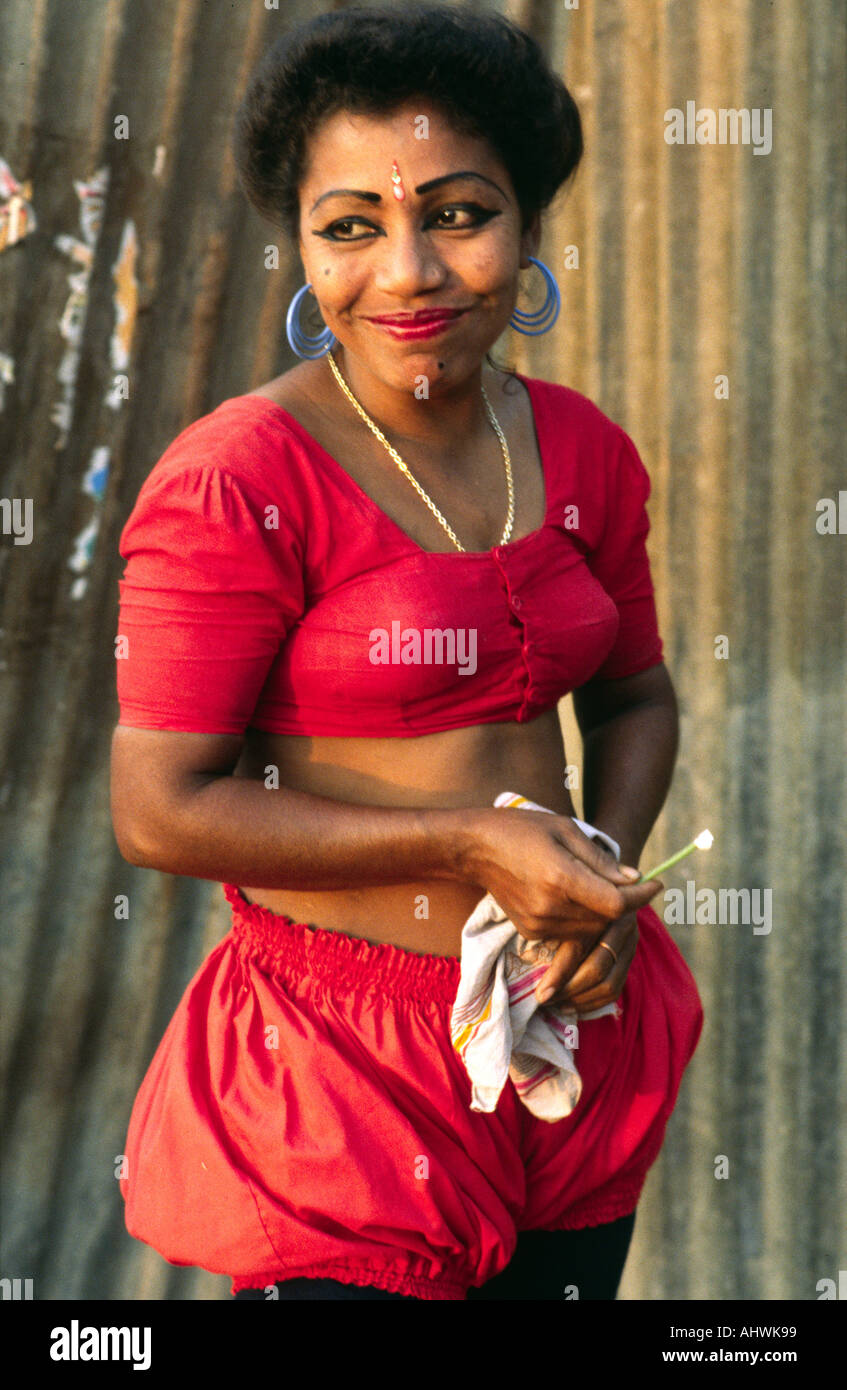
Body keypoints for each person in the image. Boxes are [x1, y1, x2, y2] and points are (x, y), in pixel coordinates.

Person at [110, 3, 703, 1302]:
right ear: (302, 249)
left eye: (457, 213)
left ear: (530, 222)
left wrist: (594, 872)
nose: (410, 272)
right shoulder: (238, 478)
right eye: (352, 228)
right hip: (343, 1090)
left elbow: (637, 698)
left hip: (565, 1032)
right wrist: (470, 845)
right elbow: (157, 807)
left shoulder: (582, 450)